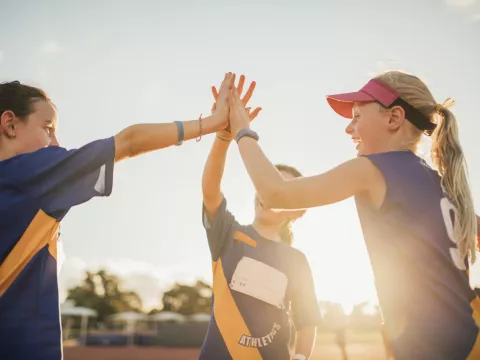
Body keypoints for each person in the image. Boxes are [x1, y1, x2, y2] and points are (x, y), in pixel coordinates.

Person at [227, 71, 480, 360]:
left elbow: (275, 194)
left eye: (358, 116)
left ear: (394, 118)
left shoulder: (373, 169)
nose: (349, 128)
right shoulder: (442, 185)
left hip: (437, 348)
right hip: (468, 338)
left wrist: (242, 130)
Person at [0, 73, 234, 360]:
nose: (56, 142)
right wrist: (212, 124)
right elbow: (130, 141)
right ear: (10, 123)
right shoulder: (32, 174)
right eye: (47, 128)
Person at [198, 75, 322, 360]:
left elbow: (307, 324)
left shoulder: (297, 260)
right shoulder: (227, 232)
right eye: (267, 185)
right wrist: (223, 136)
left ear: (298, 211)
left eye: (282, 190)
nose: (270, 195)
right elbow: (210, 190)